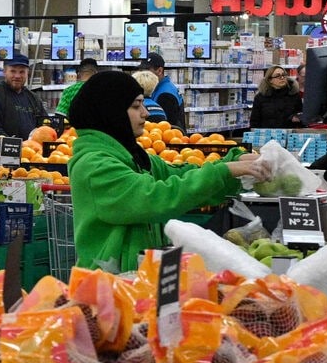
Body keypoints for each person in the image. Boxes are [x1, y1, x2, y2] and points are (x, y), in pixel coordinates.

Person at [67, 70, 266, 272]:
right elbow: (155, 196)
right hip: (107, 286)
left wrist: (233, 164)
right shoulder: (94, 166)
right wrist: (224, 171)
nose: (145, 113)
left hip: (138, 279)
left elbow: (180, 175)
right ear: (111, 110)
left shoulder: (134, 157)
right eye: (136, 106)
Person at [0, 55, 48, 139]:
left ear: (27, 73)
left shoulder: (34, 98)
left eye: (22, 72)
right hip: (5, 149)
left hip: (32, 149)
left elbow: (44, 126)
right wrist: (11, 144)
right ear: (4, 72)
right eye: (13, 71)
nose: (17, 76)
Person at [138, 53, 186, 129]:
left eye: (146, 71)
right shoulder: (163, 86)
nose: (142, 74)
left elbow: (166, 126)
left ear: (160, 71)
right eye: (141, 70)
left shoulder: (165, 95)